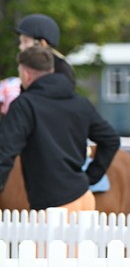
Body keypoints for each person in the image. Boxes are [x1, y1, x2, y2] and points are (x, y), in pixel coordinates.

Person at [0, 46, 119, 211]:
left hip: (52, 204)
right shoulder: (80, 102)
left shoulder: (24, 104)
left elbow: (4, 152)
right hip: (84, 198)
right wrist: (90, 178)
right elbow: (111, 139)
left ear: (26, 74)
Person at [14, 13, 76, 85]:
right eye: (21, 42)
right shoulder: (30, 64)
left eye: (25, 41)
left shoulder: (61, 68)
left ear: (42, 43)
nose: (21, 47)